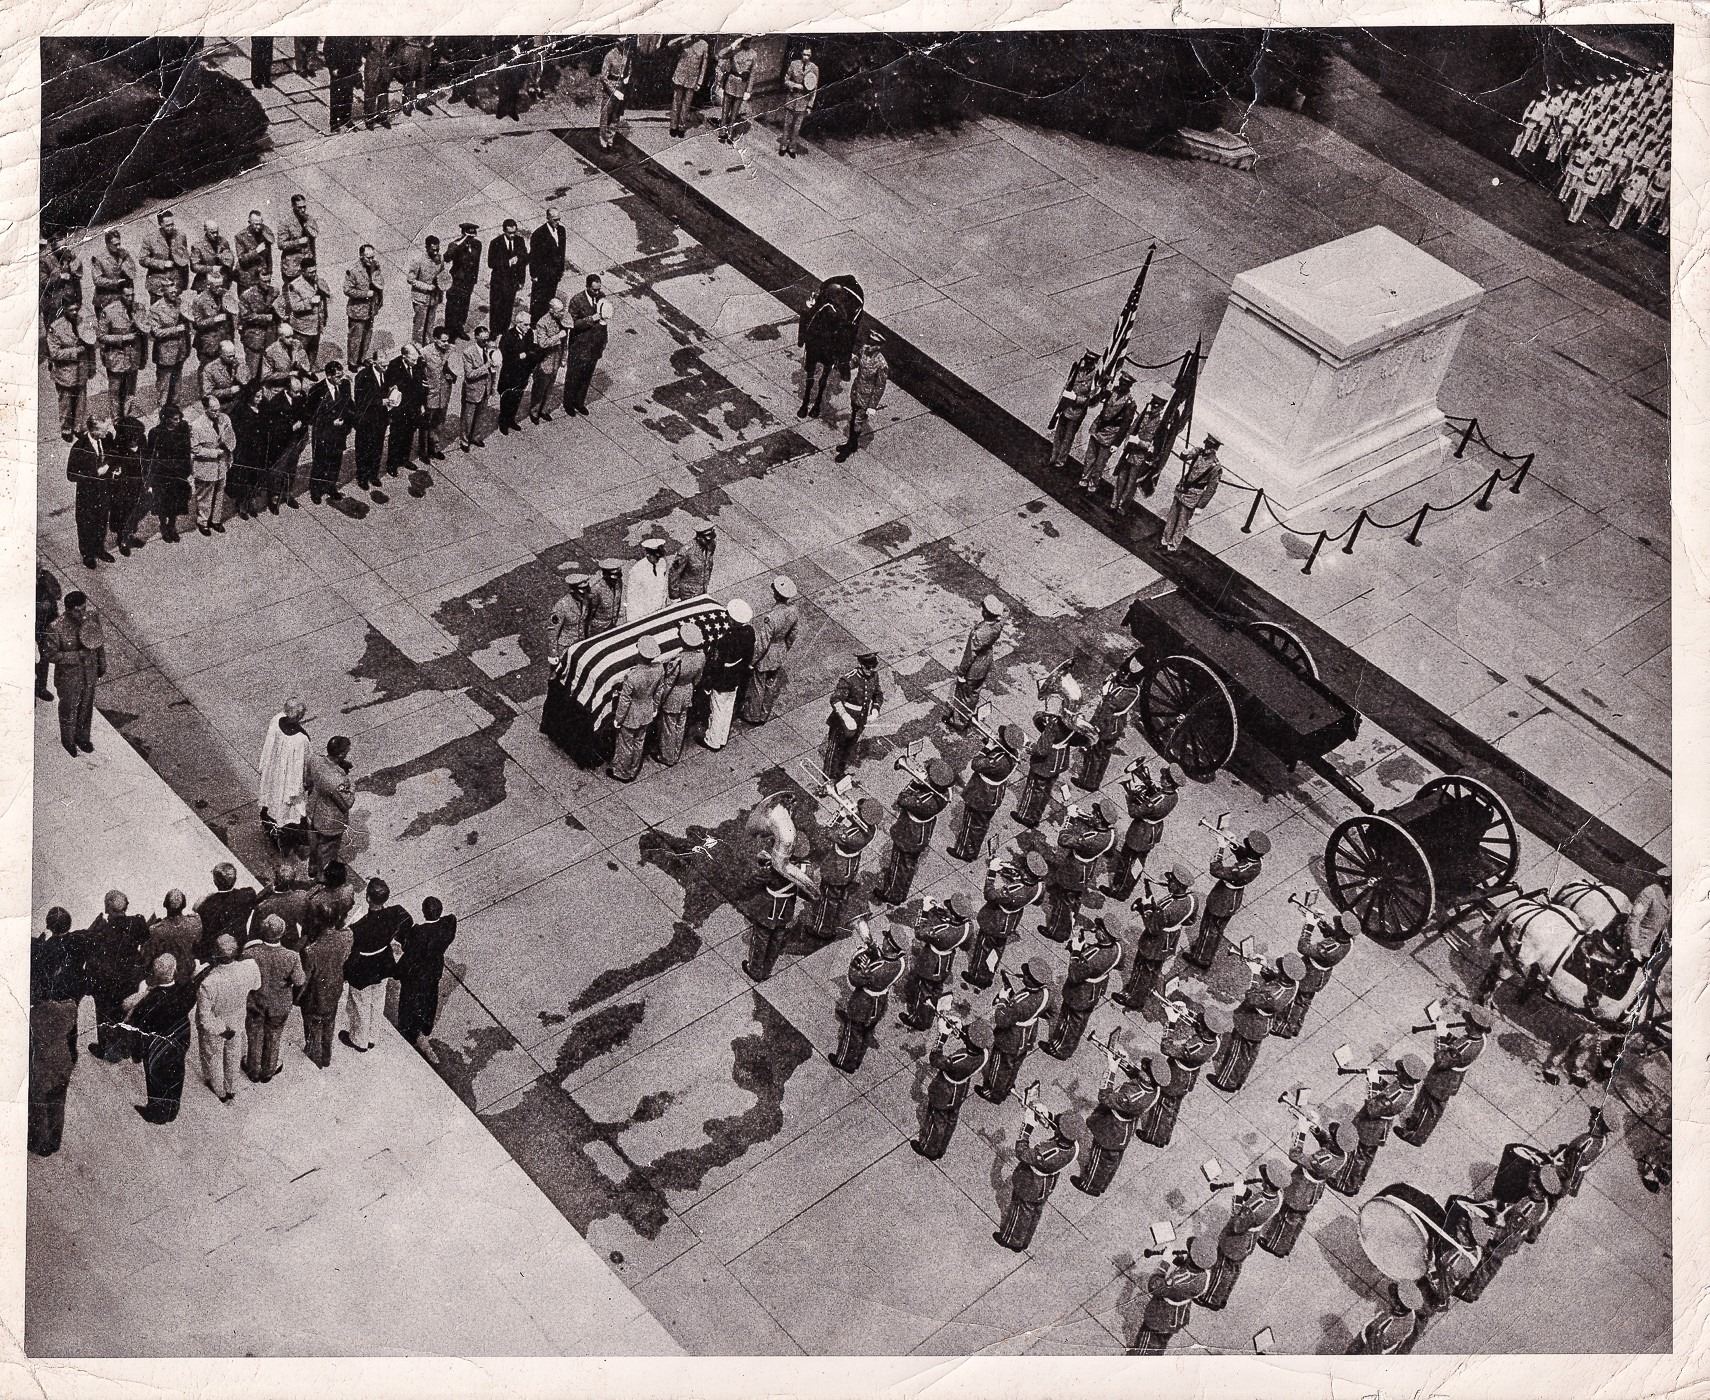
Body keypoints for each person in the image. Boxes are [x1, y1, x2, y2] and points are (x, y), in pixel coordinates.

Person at [1395, 1004, 1495, 1146]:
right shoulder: (1481, 1039)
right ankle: (1415, 1122)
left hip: (1442, 1081)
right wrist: (1448, 1035)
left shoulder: (1466, 1046)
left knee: (1430, 1108)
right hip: (1448, 1079)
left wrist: (1440, 1037)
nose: (1465, 1023)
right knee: (1424, 1100)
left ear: (1473, 1025)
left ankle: (1416, 1137)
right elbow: (1457, 1049)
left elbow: (1441, 1060)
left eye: (1468, 1021)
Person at [1071, 1044, 1161, 1195]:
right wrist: (1124, 1062)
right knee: (1111, 1161)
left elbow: (1104, 1096)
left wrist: (1111, 1069)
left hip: (1113, 1130)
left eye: (1144, 1069)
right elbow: (1137, 1077)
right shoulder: (1153, 1089)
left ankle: (1089, 1185)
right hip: (1124, 1130)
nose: (1140, 1067)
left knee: (1100, 1157)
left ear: (1147, 1078)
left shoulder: (1133, 1096)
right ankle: (1102, 1183)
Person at [1258, 1118, 1355, 1257]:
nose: (1330, 1137)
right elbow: (1326, 1142)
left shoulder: (1323, 1161)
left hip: (1302, 1189)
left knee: (1287, 1217)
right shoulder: (1342, 1154)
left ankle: (1275, 1245)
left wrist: (1301, 1132)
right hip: (1313, 1190)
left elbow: (1295, 1155)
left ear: (1337, 1143)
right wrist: (1316, 1129)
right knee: (1298, 1219)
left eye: (1333, 1137)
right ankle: (1288, 1244)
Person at [1207, 953, 1303, 1092]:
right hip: (1263, 1023)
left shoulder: (1273, 995)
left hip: (1252, 1022)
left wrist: (1254, 975)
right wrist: (1264, 967)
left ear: (1284, 975)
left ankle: (1226, 1082)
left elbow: (1251, 997)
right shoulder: (1292, 986)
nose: (1278, 970)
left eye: (1280, 970)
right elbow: (1276, 980)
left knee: (1237, 1052)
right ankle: (1239, 1080)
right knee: (1249, 1054)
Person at [1138, 1001, 1228, 1148]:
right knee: (1173, 1106)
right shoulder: (1215, 1040)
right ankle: (1165, 1134)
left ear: (1206, 1030)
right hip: (1189, 1076)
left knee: (1163, 1106)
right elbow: (1200, 1027)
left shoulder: (1196, 1046)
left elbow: (1166, 1048)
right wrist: (1185, 1012)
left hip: (1178, 1076)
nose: (1199, 1020)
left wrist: (1171, 1022)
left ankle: (1155, 1137)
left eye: (1202, 1022)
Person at [1199, 1161, 1287, 1309]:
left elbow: (1237, 1224)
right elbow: (1256, 1202)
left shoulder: (1257, 1206)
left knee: (1222, 1269)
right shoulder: (1277, 1196)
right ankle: (1223, 1296)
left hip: (1237, 1242)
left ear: (1267, 1184)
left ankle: (1211, 1299)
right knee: (1233, 1269)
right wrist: (1245, 1192)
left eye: (1264, 1178)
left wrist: (1238, 1197)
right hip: (1249, 1240)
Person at [1332, 1056, 1426, 1196]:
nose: (1398, 1072)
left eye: (1401, 1071)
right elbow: (1388, 1092)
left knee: (1357, 1155)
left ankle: (1346, 1184)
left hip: (1371, 1127)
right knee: (1367, 1156)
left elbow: (1373, 1108)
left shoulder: (1399, 1094)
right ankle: (1357, 1181)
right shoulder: (1409, 1089)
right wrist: (1379, 1080)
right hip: (1380, 1129)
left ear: (1406, 1076)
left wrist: (1373, 1084)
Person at [126, 953, 204, 1122]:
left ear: (155, 973)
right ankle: (172, 1110)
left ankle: (156, 1113)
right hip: (179, 1038)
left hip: (156, 1045)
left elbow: (138, 1026)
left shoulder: (148, 1001)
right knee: (176, 1075)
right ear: (174, 970)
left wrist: (137, 1053)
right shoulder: (186, 991)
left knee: (155, 1079)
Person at [29, 912, 83, 1155]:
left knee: (38, 1102)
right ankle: (54, 1141)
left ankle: (38, 1143)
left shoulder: (37, 1014)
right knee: (57, 1100)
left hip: (43, 1063)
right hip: (63, 1060)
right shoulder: (69, 1008)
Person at [995, 1108, 1079, 1252]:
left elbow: (1022, 1152)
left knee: (1020, 1212)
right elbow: (1060, 1128)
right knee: (1034, 1213)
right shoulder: (1073, 1147)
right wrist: (1047, 1116)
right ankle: (1025, 1240)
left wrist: (1027, 1127)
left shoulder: (1047, 1153)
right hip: (1047, 1184)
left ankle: (1011, 1240)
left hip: (1031, 1183)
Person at [1183, 829, 1268, 969]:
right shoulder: (1257, 862)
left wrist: (1221, 847)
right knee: (1215, 929)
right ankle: (1203, 950)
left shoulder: (1242, 870)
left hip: (1223, 899)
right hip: (1232, 897)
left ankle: (1201, 959)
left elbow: (1216, 870)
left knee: (1209, 928)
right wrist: (1232, 844)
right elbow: (1244, 855)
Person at [1041, 911, 1121, 1059]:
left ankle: (1059, 1049)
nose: (1095, 930)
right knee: (1078, 1022)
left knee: (1070, 1021)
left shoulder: (1094, 958)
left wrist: (1076, 952)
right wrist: (1085, 947)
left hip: (1081, 993)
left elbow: (1075, 974)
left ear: (1105, 935)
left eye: (1099, 929)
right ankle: (1066, 1047)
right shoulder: (1115, 948)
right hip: (1094, 991)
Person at [962, 849, 1047, 990]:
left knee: (983, 948)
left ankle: (977, 977)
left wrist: (991, 872)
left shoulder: (1014, 891)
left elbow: (989, 894)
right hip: (1011, 920)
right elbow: (1037, 901)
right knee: (997, 948)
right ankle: (989, 972)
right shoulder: (1040, 886)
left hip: (996, 920)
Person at [877, 759, 956, 904]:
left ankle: (891, 895)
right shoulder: (945, 793)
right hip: (922, 831)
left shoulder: (924, 801)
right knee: (908, 865)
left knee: (898, 864)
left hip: (910, 832)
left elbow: (902, 800)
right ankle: (901, 892)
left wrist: (914, 783)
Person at [343, 878, 408, 1052]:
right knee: (378, 1000)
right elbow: (406, 921)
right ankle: (372, 1036)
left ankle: (359, 1040)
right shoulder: (394, 914)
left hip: (363, 967)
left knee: (360, 1003)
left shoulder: (359, 927)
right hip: (383, 962)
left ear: (368, 898)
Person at [830, 921, 904, 1073]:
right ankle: (857, 1059)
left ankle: (845, 1062)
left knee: (853, 1032)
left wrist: (855, 960)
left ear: (889, 945)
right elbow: (884, 961)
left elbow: (854, 979)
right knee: (865, 1031)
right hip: (879, 1001)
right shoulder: (900, 963)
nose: (883, 940)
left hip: (863, 1003)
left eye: (886, 939)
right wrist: (874, 949)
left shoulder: (875, 970)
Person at [912, 1015, 990, 1160]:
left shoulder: (960, 1061)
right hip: (960, 1090)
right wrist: (961, 1030)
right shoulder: (983, 1054)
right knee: (951, 1120)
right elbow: (972, 1042)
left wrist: (942, 1036)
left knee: (937, 1121)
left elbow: (935, 1059)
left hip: (946, 1090)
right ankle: (941, 1148)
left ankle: (929, 1149)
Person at [976, 958, 1051, 1103]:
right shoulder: (1045, 994)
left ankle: (993, 1093)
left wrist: (1002, 1000)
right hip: (1027, 1036)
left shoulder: (1021, 1003)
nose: (1024, 977)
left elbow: (1001, 1019)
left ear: (1033, 981)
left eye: (1027, 976)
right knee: (1014, 1065)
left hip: (1010, 1039)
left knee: (999, 1067)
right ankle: (1007, 1086)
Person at [1273, 907, 1357, 1038]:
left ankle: (1285, 1028)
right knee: (1305, 1001)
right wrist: (1322, 924)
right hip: (1321, 975)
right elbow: (1334, 937)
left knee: (1296, 1000)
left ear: (1342, 931)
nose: (1335, 927)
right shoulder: (1348, 942)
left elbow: (1303, 947)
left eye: (1337, 927)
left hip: (1311, 974)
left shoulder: (1328, 949)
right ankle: (1296, 1026)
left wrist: (1309, 925)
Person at [195, 934, 259, 1102]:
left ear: (215, 954)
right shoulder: (248, 968)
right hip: (237, 1019)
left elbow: (204, 1017)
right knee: (233, 1054)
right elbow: (256, 985)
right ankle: (231, 1087)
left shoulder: (209, 983)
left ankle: (219, 1090)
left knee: (213, 1057)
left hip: (216, 1026)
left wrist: (222, 1030)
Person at [241, 914, 305, 1082]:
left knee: (254, 1035)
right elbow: (299, 980)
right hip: (280, 1004)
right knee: (274, 1035)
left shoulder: (249, 953)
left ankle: (253, 1069)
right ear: (282, 933)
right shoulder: (292, 956)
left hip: (256, 1002)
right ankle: (269, 1070)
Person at [1128, 1235, 1219, 1354]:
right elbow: (1191, 1270)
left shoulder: (1179, 1281)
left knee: (1147, 1342)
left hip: (1161, 1317)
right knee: (1160, 1343)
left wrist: (1165, 1263)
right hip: (1176, 1316)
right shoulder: (1203, 1275)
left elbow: (1154, 1286)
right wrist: (1181, 1261)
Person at [42, 590, 105, 756]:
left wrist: (102, 663)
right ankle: (68, 741)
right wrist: (77, 656)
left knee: (86, 707)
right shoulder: (56, 628)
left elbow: (98, 643)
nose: (82, 614)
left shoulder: (91, 618)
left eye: (84, 608)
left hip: (89, 673)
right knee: (69, 710)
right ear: (68, 610)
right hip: (69, 678)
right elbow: (50, 654)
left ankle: (82, 738)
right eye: (78, 610)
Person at [811, 794, 884, 938]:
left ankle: (823, 930)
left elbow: (828, 831)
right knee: (836, 893)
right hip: (849, 865)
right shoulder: (870, 829)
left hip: (838, 867)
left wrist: (840, 815)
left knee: (829, 897)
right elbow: (856, 820)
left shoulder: (852, 835)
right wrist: (850, 810)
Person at [1039, 802, 1114, 941]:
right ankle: (1072, 914)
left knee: (1065, 900)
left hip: (1075, 869)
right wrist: (1081, 814)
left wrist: (1069, 820)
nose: (1092, 815)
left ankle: (1058, 932)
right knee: (1074, 895)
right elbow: (1096, 826)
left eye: (1095, 814)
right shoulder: (1109, 833)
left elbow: (1063, 840)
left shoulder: (1091, 839)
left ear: (1099, 819)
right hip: (1087, 867)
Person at [947, 723, 1021, 861]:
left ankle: (965, 852)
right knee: (981, 824)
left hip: (982, 794)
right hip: (993, 795)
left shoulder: (998, 760)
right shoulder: (1013, 754)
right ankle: (972, 849)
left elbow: (976, 764)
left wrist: (986, 748)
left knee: (971, 823)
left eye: (1000, 737)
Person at [300, 882, 355, 1067]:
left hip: (315, 993)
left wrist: (298, 996)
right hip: (335, 985)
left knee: (313, 1026)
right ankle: (326, 1055)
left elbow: (305, 979)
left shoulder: (311, 951)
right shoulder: (346, 936)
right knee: (329, 1022)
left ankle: (315, 1057)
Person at [397, 897, 457, 1061]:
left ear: (423, 912)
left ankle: (409, 1031)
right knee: (430, 998)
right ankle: (425, 1027)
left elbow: (409, 950)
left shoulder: (419, 932)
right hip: (434, 969)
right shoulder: (447, 927)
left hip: (417, 973)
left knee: (409, 1001)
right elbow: (451, 919)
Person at [1074, 654, 1141, 791]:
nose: (1121, 676)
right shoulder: (1134, 689)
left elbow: (1106, 711)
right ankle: (1096, 780)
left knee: (1095, 754)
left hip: (1106, 727)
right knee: (1104, 754)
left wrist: (1095, 729)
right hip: (1115, 727)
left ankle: (1087, 782)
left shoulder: (1122, 692)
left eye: (1124, 674)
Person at [608, 634, 667, 782]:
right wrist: (655, 708)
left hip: (631, 715)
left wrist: (618, 719)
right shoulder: (659, 669)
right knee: (639, 742)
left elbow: (625, 701)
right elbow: (659, 690)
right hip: (647, 711)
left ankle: (622, 772)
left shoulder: (632, 676)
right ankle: (633, 770)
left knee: (625, 744)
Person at [740, 576, 799, 723]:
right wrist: (785, 648)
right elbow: (793, 634)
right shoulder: (793, 611)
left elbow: (763, 642)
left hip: (767, 655)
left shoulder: (771, 617)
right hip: (780, 651)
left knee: (758, 686)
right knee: (771, 685)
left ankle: (753, 715)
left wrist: (752, 661)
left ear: (777, 595)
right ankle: (764, 713)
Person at [702, 598, 754, 751]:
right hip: (736, 676)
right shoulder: (749, 633)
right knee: (727, 708)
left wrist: (709, 683)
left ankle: (712, 740)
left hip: (722, 679)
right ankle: (722, 737)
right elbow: (748, 656)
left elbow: (716, 664)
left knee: (717, 709)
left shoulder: (726, 640)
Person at [653, 621, 706, 767]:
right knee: (680, 725)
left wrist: (660, 701)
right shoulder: (701, 656)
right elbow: (698, 678)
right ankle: (676, 752)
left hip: (673, 696)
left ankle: (667, 756)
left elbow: (668, 684)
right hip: (687, 692)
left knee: (669, 727)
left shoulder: (677, 661)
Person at [823, 651, 883, 779]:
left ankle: (840, 773)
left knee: (848, 748)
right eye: (868, 667)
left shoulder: (874, 676)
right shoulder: (849, 679)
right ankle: (828, 778)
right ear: (861, 665)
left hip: (860, 720)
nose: (871, 670)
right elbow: (836, 699)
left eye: (874, 667)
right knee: (834, 750)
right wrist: (845, 717)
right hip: (842, 722)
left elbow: (878, 694)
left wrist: (875, 710)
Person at [948, 596, 1005, 728]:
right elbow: (1006, 610)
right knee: (974, 692)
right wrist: (998, 606)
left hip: (974, 667)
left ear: (985, 612)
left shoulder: (979, 633)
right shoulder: (998, 623)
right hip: (986, 661)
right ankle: (967, 715)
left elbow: (970, 655)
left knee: (965, 694)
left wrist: (961, 672)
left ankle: (959, 721)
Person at [66, 418, 116, 568]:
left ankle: (99, 549)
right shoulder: (79, 447)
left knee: (102, 521)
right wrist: (95, 473)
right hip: (87, 495)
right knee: (86, 524)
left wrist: (112, 467)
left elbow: (112, 455)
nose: (107, 432)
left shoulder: (106, 439)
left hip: (104, 490)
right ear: (94, 430)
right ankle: (87, 554)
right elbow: (71, 475)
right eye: (104, 429)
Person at [1162, 435, 1222, 552]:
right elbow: (1185, 457)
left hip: (1192, 496)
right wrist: (1185, 453)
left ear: (1215, 449)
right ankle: (1165, 539)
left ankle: (1173, 546)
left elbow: (1211, 489)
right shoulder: (1198, 452)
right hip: (1182, 488)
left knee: (1182, 522)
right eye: (1207, 444)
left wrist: (1201, 505)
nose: (1207, 447)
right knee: (1172, 517)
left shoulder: (1216, 467)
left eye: (1210, 446)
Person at [561, 275, 610, 415]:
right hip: (580, 346)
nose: (597, 292)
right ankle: (568, 403)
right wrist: (591, 319)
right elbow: (572, 323)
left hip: (595, 346)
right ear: (587, 287)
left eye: (599, 289)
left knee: (586, 376)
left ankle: (579, 402)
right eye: (594, 290)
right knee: (573, 376)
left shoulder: (601, 297)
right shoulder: (577, 301)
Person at [46, 306, 96, 442]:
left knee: (81, 401)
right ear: (64, 310)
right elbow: (55, 353)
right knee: (66, 403)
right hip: (65, 373)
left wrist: (92, 367)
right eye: (71, 310)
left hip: (81, 371)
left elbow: (90, 346)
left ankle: (78, 427)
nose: (74, 312)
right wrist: (76, 351)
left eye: (76, 309)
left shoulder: (83, 322)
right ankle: (66, 429)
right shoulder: (56, 327)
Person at [1079, 373, 1136, 492]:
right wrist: (1103, 386)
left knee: (1100, 463)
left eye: (1125, 384)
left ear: (1129, 386)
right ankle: (1084, 478)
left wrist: (1116, 443)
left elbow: (1125, 425)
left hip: (1111, 434)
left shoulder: (1129, 403)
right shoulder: (1111, 392)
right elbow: (1096, 400)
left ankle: (1093, 484)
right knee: (1090, 457)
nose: (1122, 385)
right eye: (1121, 382)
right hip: (1098, 428)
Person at [190, 392, 236, 535]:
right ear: (205, 409)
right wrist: (214, 453)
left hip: (221, 465)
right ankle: (203, 522)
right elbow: (195, 449)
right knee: (205, 496)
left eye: (218, 409)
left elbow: (230, 438)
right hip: (206, 466)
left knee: (220, 493)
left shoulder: (224, 419)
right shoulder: (197, 426)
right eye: (213, 410)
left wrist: (229, 454)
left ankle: (215, 520)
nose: (217, 413)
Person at [146, 401, 192, 542]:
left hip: (178, 472)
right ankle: (163, 525)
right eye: (175, 419)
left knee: (176, 501)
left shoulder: (182, 430)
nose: (178, 421)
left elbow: (186, 451)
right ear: (166, 419)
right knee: (162, 502)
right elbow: (150, 455)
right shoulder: (155, 433)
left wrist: (187, 470)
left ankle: (172, 525)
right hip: (162, 474)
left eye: (179, 418)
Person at [309, 361, 354, 503]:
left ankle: (331, 487)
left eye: (342, 375)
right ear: (328, 376)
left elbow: (349, 404)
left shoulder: (345, 385)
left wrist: (350, 421)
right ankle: (316, 491)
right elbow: (312, 416)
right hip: (323, 433)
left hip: (339, 432)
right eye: (338, 377)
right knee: (320, 462)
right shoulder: (317, 390)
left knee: (336, 461)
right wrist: (330, 422)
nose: (341, 379)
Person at [194, 864, 259, 961]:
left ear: (215, 881)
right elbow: (250, 892)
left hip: (216, 949)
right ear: (235, 879)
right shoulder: (247, 895)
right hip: (239, 943)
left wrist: (205, 899)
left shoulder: (208, 905)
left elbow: (198, 914)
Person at [1048, 350, 1099, 469]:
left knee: (1068, 438)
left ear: (1094, 362)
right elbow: (1068, 385)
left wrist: (1076, 398)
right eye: (1086, 359)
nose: (1087, 362)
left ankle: (1060, 461)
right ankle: (1053, 457)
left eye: (1091, 361)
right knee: (1058, 434)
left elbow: (1092, 400)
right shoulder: (1078, 370)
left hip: (1077, 412)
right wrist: (1060, 402)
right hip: (1065, 407)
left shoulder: (1094, 377)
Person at [97, 291, 144, 418]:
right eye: (127, 295)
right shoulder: (109, 311)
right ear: (120, 295)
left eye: (132, 295)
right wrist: (123, 338)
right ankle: (116, 418)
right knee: (115, 390)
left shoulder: (138, 308)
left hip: (133, 356)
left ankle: (128, 416)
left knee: (130, 389)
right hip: (116, 358)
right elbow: (101, 336)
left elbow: (144, 334)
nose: (130, 298)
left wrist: (143, 358)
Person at [146, 284, 192, 411]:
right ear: (163, 291)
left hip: (180, 350)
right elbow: (156, 332)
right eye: (171, 291)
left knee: (177, 381)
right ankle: (162, 410)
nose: (174, 293)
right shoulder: (155, 309)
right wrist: (176, 329)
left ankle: (175, 407)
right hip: (165, 353)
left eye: (175, 290)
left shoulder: (179, 302)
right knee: (164, 384)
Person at [142, 889, 203, 985]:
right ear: (184, 905)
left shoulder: (156, 930)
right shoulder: (194, 923)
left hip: (168, 976)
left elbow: (147, 956)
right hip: (190, 974)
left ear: (165, 904)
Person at [384, 343, 427, 476]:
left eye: (416, 359)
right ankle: (392, 464)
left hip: (413, 408)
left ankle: (404, 459)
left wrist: (422, 405)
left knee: (409, 435)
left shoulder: (418, 363)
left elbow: (421, 384)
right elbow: (390, 388)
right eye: (412, 359)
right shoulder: (394, 366)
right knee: (396, 436)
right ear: (404, 357)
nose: (415, 362)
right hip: (400, 409)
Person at [1348, 1281, 1424, 1354]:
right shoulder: (1400, 1308)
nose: (1389, 1299)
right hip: (1368, 1333)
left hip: (1372, 1346)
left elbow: (1377, 1348)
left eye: (1392, 1298)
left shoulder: (1400, 1327)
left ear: (1398, 1306)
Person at [351, 351, 390, 496]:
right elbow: (361, 400)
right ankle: (362, 477)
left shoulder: (385, 373)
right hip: (366, 421)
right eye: (383, 365)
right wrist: (380, 402)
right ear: (374, 362)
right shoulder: (362, 377)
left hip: (380, 419)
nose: (386, 368)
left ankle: (373, 474)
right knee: (363, 449)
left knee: (377, 447)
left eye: (387, 365)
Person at [455, 325, 498, 450]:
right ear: (476, 337)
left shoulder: (489, 349)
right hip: (473, 390)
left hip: (485, 389)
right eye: (483, 339)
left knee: (481, 416)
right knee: (468, 418)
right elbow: (469, 374)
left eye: (487, 339)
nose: (485, 342)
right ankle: (464, 441)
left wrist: (493, 386)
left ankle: (475, 437)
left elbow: (494, 371)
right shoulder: (468, 352)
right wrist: (486, 366)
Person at [344, 245, 385, 368]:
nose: (371, 260)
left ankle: (362, 359)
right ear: (361, 256)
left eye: (373, 257)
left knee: (367, 336)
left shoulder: (375, 265)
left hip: (371, 308)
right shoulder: (353, 270)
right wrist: (365, 294)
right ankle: (352, 362)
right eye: (368, 258)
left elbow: (378, 282)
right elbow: (347, 290)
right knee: (355, 338)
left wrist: (379, 300)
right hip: (358, 310)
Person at [486, 219, 528, 336]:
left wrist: (521, 280)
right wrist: (508, 262)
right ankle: (494, 331)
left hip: (512, 282)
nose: (512, 235)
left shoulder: (520, 241)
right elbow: (491, 263)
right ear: (504, 231)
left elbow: (524, 260)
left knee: (508, 307)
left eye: (514, 232)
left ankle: (504, 330)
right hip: (498, 282)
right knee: (496, 307)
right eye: (510, 233)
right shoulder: (495, 243)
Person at [420, 327, 457, 459]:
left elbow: (452, 368)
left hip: (444, 392)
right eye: (443, 341)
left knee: (439, 423)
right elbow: (419, 370)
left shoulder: (451, 349)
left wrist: (451, 374)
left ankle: (435, 448)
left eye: (447, 340)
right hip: (431, 393)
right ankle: (423, 452)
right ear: (435, 339)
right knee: (426, 424)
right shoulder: (425, 352)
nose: (446, 344)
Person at [528, 300, 566, 424]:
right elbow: (542, 343)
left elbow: (565, 341)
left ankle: (543, 410)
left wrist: (564, 358)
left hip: (556, 358)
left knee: (550, 387)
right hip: (546, 360)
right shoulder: (542, 323)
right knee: (540, 388)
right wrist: (558, 336)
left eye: (562, 310)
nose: (562, 313)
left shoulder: (561, 320)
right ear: (551, 310)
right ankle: (534, 411)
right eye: (559, 311)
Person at [443, 222, 483, 340]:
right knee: (452, 307)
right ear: (463, 234)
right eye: (468, 236)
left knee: (464, 306)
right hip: (456, 281)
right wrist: (461, 241)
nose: (470, 239)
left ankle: (459, 328)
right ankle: (449, 332)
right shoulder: (455, 245)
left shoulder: (477, 245)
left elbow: (476, 263)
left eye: (472, 236)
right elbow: (447, 258)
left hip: (468, 282)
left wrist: (474, 279)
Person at [408, 236, 449, 347]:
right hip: (421, 298)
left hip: (434, 298)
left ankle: (427, 344)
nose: (435, 252)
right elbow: (410, 279)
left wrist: (442, 288)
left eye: (437, 249)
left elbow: (442, 275)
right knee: (420, 325)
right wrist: (427, 287)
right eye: (433, 250)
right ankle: (417, 345)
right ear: (426, 248)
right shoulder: (418, 260)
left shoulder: (440, 258)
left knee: (430, 323)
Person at [779, 45, 819, 158]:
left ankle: (792, 148)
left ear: (811, 56)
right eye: (804, 54)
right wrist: (794, 85)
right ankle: (783, 146)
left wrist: (810, 106)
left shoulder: (814, 68)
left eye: (808, 55)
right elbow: (786, 80)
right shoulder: (794, 64)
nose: (806, 57)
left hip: (803, 102)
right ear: (801, 54)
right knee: (787, 124)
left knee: (797, 127)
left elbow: (814, 88)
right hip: (791, 99)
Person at [528, 209, 568, 320]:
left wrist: (561, 270)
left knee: (550, 297)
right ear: (548, 218)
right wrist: (534, 275)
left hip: (555, 273)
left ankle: (546, 318)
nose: (557, 222)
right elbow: (533, 256)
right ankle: (534, 320)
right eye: (555, 220)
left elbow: (562, 251)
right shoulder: (538, 234)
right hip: (542, 274)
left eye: (559, 219)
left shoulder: (561, 230)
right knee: (538, 299)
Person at [668, 35, 710, 137]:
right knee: (676, 101)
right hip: (680, 75)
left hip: (693, 78)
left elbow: (704, 65)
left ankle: (681, 127)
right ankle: (673, 126)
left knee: (687, 104)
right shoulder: (685, 41)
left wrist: (700, 81)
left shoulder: (704, 44)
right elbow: (670, 45)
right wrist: (683, 37)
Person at [715, 37, 754, 143]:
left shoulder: (753, 54)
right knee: (725, 110)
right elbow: (721, 54)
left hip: (742, 85)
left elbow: (752, 73)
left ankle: (730, 133)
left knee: (735, 112)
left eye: (748, 40)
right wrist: (734, 44)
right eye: (744, 40)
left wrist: (748, 90)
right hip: (731, 82)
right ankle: (722, 132)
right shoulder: (734, 51)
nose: (746, 42)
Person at [668, 523, 717, 599]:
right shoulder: (686, 552)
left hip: (702, 590)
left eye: (711, 538)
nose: (710, 541)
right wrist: (674, 596)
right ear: (699, 537)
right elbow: (674, 573)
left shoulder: (711, 545)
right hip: (687, 594)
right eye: (707, 539)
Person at [325, 36, 364, 131]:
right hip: (337, 68)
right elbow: (327, 50)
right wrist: (332, 67)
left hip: (350, 67)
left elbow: (357, 47)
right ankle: (334, 122)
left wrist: (357, 63)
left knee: (348, 94)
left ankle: (346, 119)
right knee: (336, 96)